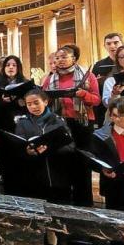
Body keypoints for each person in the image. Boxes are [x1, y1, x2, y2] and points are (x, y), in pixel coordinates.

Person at [42, 44, 100, 206]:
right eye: (57, 57)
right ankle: (63, 199)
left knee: (82, 162)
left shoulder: (88, 77)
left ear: (73, 58)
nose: (59, 60)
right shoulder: (50, 78)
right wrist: (49, 98)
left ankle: (84, 201)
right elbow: (43, 99)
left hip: (81, 123)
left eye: (64, 57)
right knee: (61, 162)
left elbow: (96, 100)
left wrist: (81, 93)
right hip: (59, 124)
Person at [15, 89, 75, 203]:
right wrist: (27, 151)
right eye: (29, 104)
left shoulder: (58, 121)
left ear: (46, 102)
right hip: (35, 177)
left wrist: (51, 148)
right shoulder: (22, 122)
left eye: (36, 103)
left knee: (60, 209)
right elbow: (18, 147)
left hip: (59, 176)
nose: (33, 107)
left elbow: (70, 146)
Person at [0, 55, 28, 195]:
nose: (10, 67)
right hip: (1, 121)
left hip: (19, 122)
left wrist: (23, 102)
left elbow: (32, 101)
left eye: (14, 65)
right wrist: (2, 101)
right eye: (8, 65)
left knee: (19, 148)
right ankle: (4, 174)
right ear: (4, 68)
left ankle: (20, 173)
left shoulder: (25, 82)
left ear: (18, 67)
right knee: (3, 149)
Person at [92, 32, 124, 127]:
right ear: (104, 46)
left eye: (116, 42)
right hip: (104, 106)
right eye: (108, 44)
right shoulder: (99, 65)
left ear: (122, 43)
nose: (112, 46)